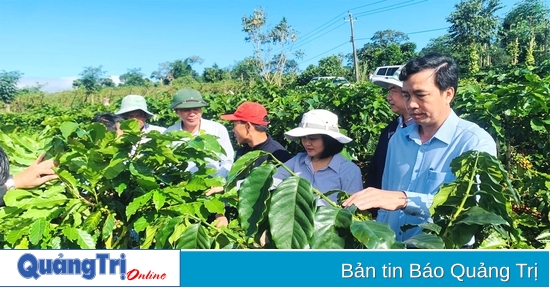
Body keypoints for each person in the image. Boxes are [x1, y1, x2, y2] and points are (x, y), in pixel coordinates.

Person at [343, 53, 497, 243]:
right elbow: (386, 200)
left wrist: (404, 200)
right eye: (406, 96)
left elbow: (472, 210)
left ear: (448, 94)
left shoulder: (474, 143)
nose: (412, 105)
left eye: (421, 95)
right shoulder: (398, 138)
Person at [273, 109, 363, 206]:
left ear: (329, 140)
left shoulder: (349, 171)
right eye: (303, 138)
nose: (307, 143)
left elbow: (352, 209)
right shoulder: (298, 161)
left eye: (313, 138)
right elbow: (272, 181)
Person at [364, 66, 412, 217]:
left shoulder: (427, 132)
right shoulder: (391, 130)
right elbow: (376, 170)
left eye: (393, 91)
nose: (388, 97)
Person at [164, 88, 234, 178]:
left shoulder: (217, 129)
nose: (192, 114)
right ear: (177, 112)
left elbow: (227, 160)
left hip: (213, 184)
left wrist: (218, 181)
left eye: (196, 109)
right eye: (186, 110)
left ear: (201, 110)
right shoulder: (169, 134)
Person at [220, 101, 292, 167]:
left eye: (234, 125)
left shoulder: (278, 155)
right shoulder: (241, 152)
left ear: (248, 126)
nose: (233, 130)